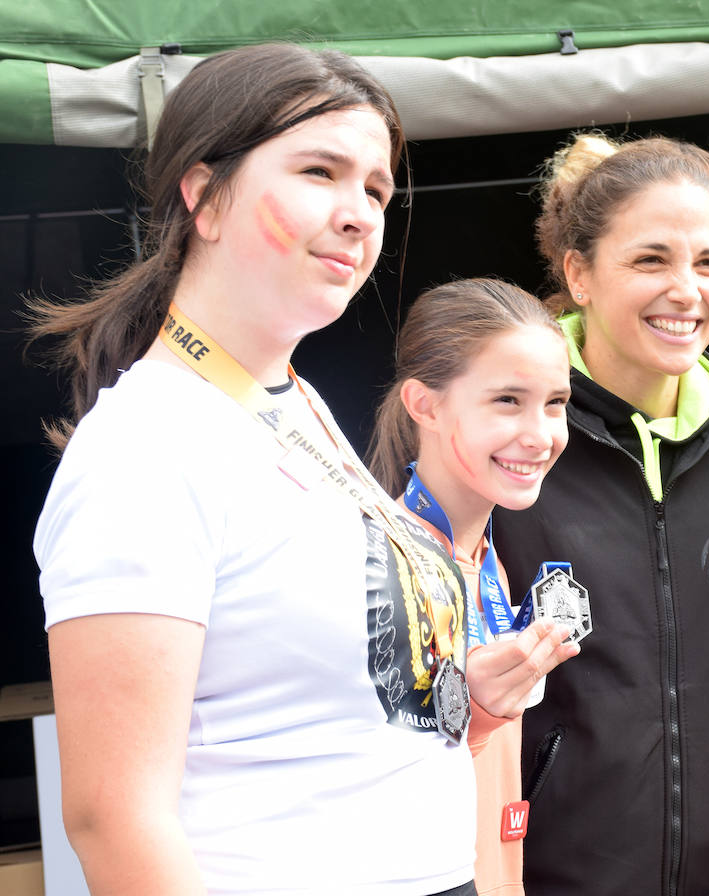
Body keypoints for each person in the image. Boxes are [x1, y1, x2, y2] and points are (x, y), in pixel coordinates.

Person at [30, 43, 481, 895]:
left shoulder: (295, 403)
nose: (360, 214)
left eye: (376, 190)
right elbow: (113, 820)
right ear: (204, 196)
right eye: (320, 171)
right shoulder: (145, 445)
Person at [493, 133, 709, 896]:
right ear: (578, 274)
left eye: (707, 263)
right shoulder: (508, 439)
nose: (685, 290)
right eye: (650, 260)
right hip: (550, 879)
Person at [367, 278, 582, 896]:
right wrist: (477, 714)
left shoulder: (484, 559)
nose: (540, 434)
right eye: (508, 401)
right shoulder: (379, 565)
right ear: (425, 405)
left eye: (555, 403)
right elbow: (357, 790)